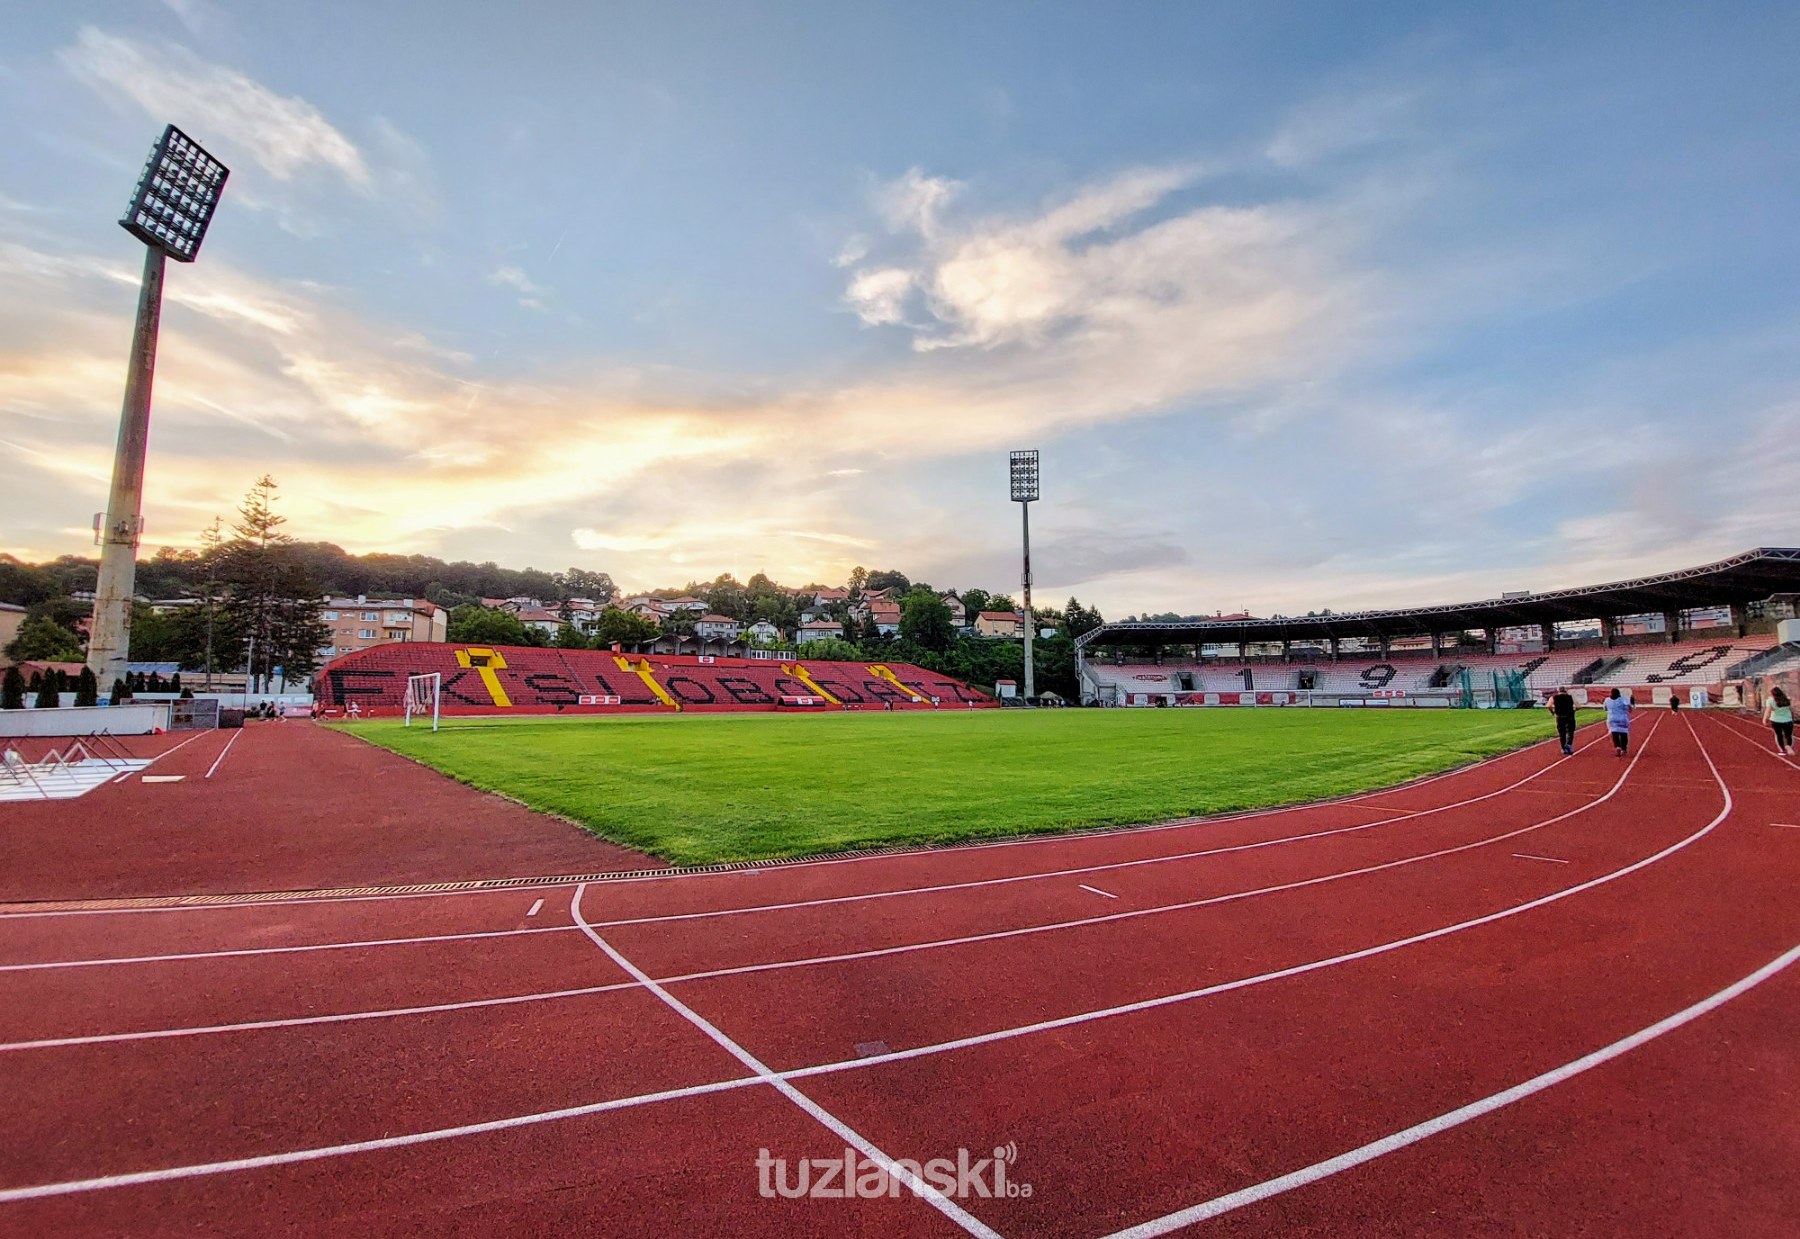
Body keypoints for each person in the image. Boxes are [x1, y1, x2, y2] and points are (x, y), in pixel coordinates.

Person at [1763, 686, 1794, 757]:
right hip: (1788, 720)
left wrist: (1765, 719)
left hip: (1776, 721)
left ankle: (1783, 750)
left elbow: (1768, 711)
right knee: (1788, 735)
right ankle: (1788, 746)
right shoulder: (1787, 699)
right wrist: (1792, 718)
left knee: (1779, 735)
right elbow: (1791, 710)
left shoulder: (1770, 701)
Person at [1604, 688, 1633, 757]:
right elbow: (1629, 707)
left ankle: (1617, 747)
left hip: (1612, 718)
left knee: (1614, 733)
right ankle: (1623, 748)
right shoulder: (1623, 699)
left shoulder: (1607, 700)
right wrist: (1628, 710)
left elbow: (1605, 708)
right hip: (1622, 718)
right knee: (1623, 733)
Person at [1549, 686, 1578, 755]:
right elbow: (1578, 706)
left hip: (1560, 717)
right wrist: (1574, 710)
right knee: (1570, 731)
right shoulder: (1570, 697)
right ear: (1565, 690)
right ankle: (1569, 745)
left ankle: (1563, 748)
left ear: (1558, 691)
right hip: (1569, 716)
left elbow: (1548, 706)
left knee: (1562, 733)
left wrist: (1553, 712)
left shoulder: (1553, 697)